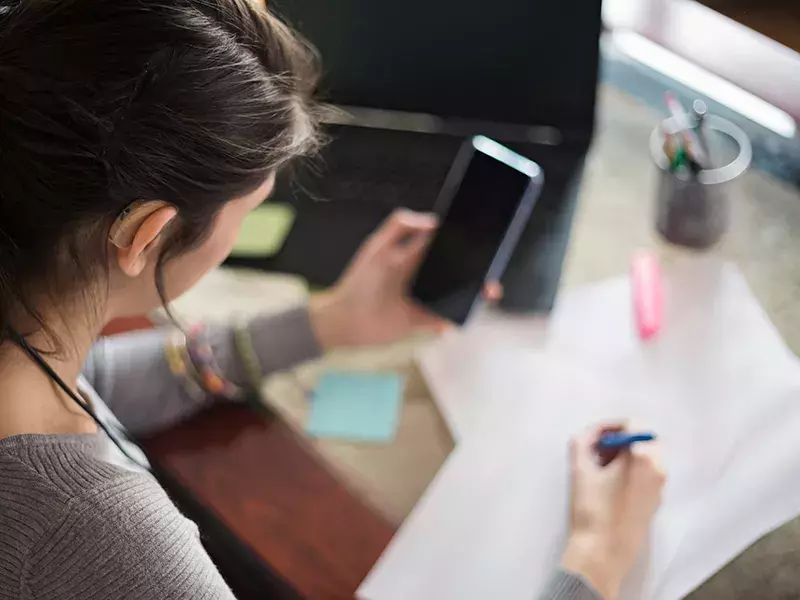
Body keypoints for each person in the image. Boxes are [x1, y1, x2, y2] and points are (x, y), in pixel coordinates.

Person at [0, 0, 665, 598]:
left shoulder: (28, 340)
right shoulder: (111, 545)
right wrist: (596, 565)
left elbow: (101, 383)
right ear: (151, 235)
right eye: (252, 205)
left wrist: (330, 322)